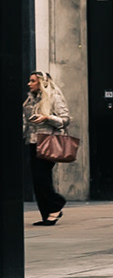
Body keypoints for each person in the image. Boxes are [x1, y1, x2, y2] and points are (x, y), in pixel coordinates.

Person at [22, 71, 71, 226]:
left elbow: (65, 119)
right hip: (33, 142)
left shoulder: (54, 97)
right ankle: (48, 214)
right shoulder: (30, 100)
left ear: (42, 83)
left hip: (48, 141)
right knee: (37, 180)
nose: (29, 84)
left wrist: (47, 118)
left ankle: (56, 204)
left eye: (33, 81)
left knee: (41, 177)